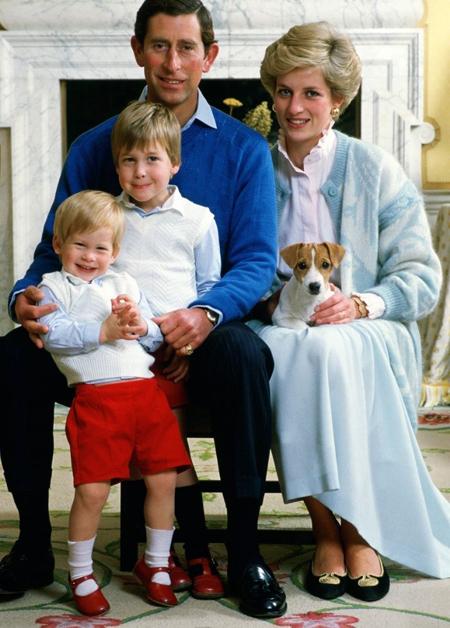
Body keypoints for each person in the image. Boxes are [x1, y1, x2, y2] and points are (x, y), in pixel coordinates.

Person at [0, 0, 286, 619]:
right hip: (107, 337)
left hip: (201, 332)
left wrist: (204, 316)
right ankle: (31, 545)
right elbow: (57, 245)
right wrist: (24, 297)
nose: (173, 63)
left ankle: (244, 548)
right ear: (137, 50)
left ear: (209, 56)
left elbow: (256, 262)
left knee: (243, 354)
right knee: (12, 356)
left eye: (187, 48)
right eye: (160, 46)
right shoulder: (98, 144)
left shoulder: (242, 150)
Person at [248, 21, 450, 603]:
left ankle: (357, 527)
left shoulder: (375, 169)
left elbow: (421, 277)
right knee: (298, 348)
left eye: (311, 93)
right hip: (284, 328)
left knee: (330, 347)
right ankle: (326, 528)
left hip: (370, 329)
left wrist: (360, 301)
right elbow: (239, 265)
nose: (295, 106)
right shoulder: (254, 169)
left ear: (338, 100)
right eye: (284, 91)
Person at [38, 190, 192, 615]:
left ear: (115, 251)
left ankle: (157, 564)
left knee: (162, 480)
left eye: (101, 247)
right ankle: (81, 571)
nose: (90, 256)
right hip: (97, 398)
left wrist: (139, 324)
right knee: (91, 491)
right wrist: (103, 332)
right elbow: (55, 337)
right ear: (58, 245)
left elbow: (154, 338)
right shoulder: (50, 288)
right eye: (79, 245)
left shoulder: (124, 284)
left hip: (144, 393)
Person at [112, 99, 224, 599]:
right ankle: (156, 557)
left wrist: (188, 342)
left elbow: (210, 286)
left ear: (174, 163)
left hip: (174, 357)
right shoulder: (108, 216)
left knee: (171, 460)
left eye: (152, 159)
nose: (140, 172)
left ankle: (196, 550)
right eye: (129, 160)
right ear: (117, 164)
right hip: (122, 357)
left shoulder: (197, 220)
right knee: (144, 461)